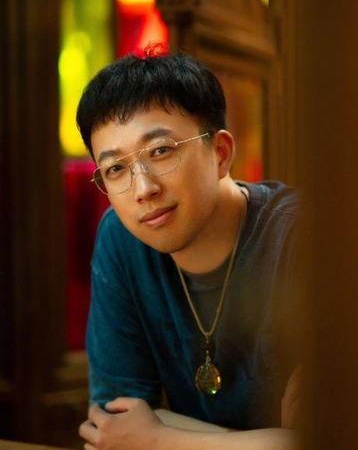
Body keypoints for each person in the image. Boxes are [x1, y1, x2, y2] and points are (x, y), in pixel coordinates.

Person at [76, 49, 299, 450]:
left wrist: (159, 438)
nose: (143, 189)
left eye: (161, 151)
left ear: (221, 153)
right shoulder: (122, 238)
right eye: (116, 169)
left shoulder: (300, 238)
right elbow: (112, 430)